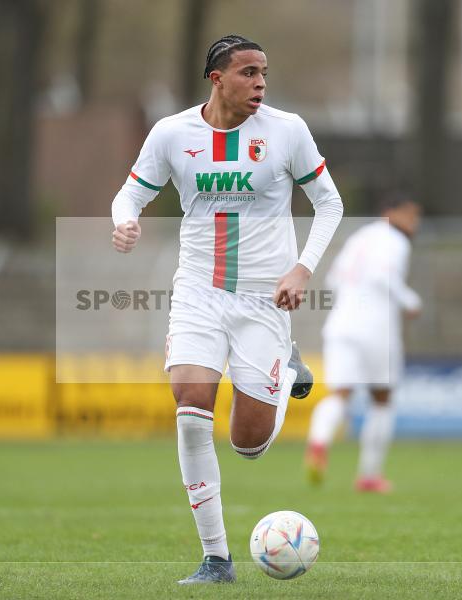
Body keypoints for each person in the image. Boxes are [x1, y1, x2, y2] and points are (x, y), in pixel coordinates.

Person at [110, 34, 343, 584]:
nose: (260, 81)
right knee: (191, 406)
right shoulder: (171, 133)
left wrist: (302, 268)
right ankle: (217, 558)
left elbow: (329, 202)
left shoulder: (288, 131)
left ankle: (284, 369)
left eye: (264, 72)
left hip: (265, 297)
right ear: (217, 79)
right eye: (248, 72)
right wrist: (124, 220)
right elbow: (131, 193)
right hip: (198, 290)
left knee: (248, 445)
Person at [305, 191, 421, 493]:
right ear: (390, 213)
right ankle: (369, 475)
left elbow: (333, 279)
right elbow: (383, 277)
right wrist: (409, 300)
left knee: (339, 395)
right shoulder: (395, 241)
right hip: (376, 327)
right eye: (410, 214)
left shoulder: (360, 237)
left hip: (341, 324)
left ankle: (318, 443)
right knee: (382, 399)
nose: (414, 222)